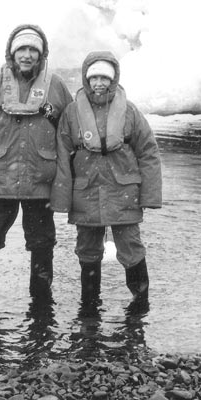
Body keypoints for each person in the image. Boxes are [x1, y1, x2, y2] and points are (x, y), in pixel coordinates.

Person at [0, 24, 73, 295]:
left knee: (42, 242)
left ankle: (41, 299)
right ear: (11, 54)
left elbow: (67, 129)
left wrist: (66, 179)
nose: (26, 55)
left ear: (41, 55)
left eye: (32, 50)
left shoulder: (55, 87)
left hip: (41, 180)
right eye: (21, 49)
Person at [50, 51, 162, 305]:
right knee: (87, 250)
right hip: (85, 192)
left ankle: (140, 304)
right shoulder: (71, 113)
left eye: (104, 78)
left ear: (113, 80)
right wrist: (61, 199)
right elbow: (62, 157)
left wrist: (150, 195)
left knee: (131, 247)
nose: (99, 83)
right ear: (86, 80)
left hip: (123, 192)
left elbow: (148, 152)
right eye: (94, 78)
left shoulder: (130, 111)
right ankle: (90, 307)